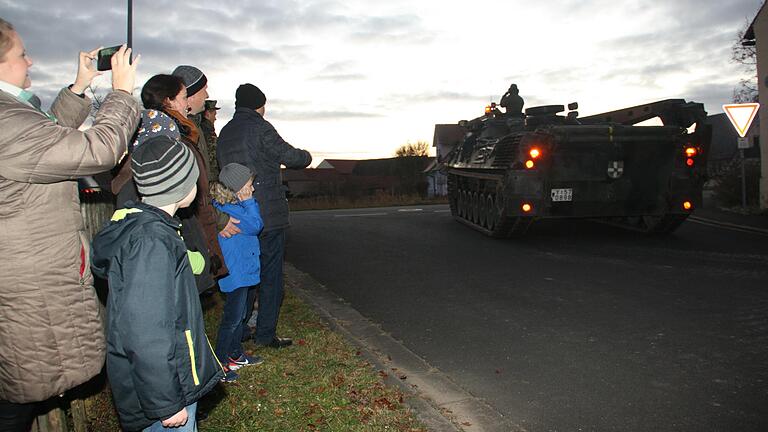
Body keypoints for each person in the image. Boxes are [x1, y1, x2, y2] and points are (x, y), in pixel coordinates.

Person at [0, 17, 140, 430]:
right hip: (30, 278)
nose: (30, 60)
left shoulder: (12, 116)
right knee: (16, 400)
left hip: (24, 270)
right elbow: (98, 150)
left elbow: (43, 146)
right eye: (21, 54)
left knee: (19, 391)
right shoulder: (6, 122)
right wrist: (121, 93)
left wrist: (79, 90)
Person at [91, 135, 223, 432]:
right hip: (163, 393)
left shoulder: (148, 229)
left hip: (165, 382)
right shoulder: (152, 242)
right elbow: (146, 331)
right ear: (182, 184)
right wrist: (166, 402)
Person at [217, 83, 312, 348]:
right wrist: (307, 155)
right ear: (260, 105)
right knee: (271, 276)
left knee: (246, 273)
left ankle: (242, 326)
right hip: (267, 214)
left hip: (238, 214)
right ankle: (265, 334)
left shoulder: (225, 132)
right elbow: (289, 155)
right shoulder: (260, 127)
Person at [140, 74, 228, 291]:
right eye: (184, 96)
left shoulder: (178, 131)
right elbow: (196, 191)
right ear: (169, 101)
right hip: (182, 228)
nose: (188, 102)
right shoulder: (172, 139)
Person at [210, 163, 265, 382]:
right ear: (238, 187)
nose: (252, 190)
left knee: (241, 315)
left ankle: (235, 354)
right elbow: (255, 225)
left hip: (245, 270)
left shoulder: (234, 207)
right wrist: (248, 201)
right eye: (249, 186)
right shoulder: (229, 209)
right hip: (236, 273)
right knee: (232, 319)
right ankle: (220, 362)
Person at [172, 65, 214, 178]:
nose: (207, 95)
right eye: (204, 89)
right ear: (191, 95)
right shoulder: (182, 130)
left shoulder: (194, 125)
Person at [201, 99, 220, 179]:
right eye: (214, 115)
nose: (215, 118)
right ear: (207, 114)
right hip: (211, 177)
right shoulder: (207, 133)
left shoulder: (202, 129)